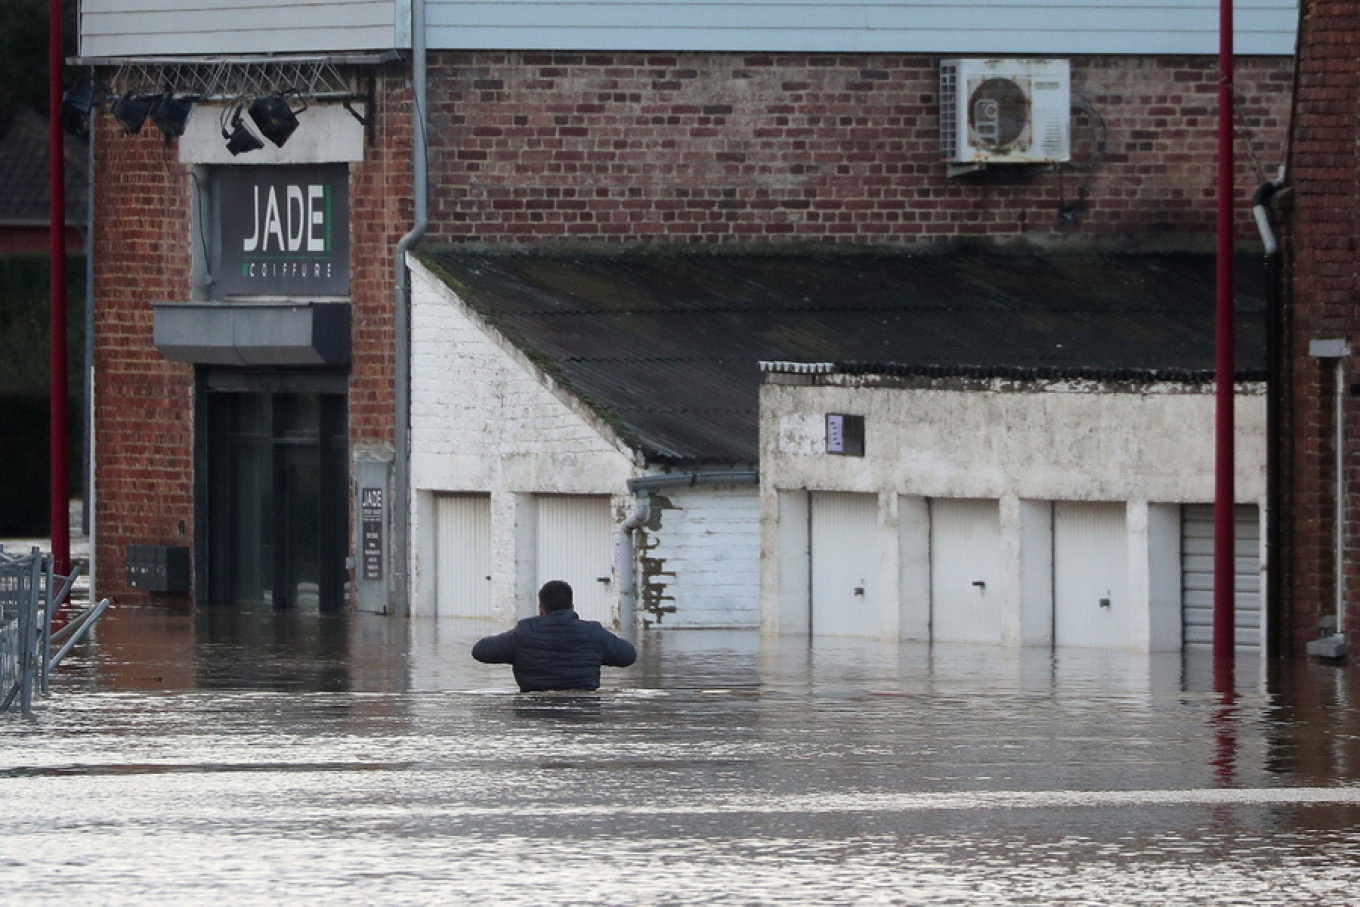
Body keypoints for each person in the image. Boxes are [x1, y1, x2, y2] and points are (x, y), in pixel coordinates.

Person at [471, 580, 637, 692]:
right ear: (572, 606)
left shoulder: (523, 633)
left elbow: (480, 651)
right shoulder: (594, 633)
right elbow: (628, 656)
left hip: (533, 712)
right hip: (585, 709)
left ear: (541, 608)